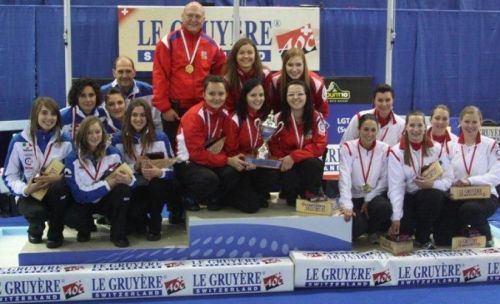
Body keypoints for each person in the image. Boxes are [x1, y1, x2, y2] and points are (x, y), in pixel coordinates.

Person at [2, 97, 73, 248]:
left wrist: (59, 177)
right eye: (44, 113)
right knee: (37, 212)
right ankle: (35, 229)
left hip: (55, 192)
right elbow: (9, 175)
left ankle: (55, 232)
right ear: (35, 114)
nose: (49, 118)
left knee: (60, 190)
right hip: (30, 193)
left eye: (53, 114)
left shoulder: (66, 140)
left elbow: (73, 172)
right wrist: (25, 189)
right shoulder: (19, 141)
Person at [153, 1, 226, 144]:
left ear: (204, 20)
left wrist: (215, 105)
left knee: (200, 147)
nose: (193, 20)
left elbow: (220, 77)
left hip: (202, 108)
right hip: (174, 110)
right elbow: (159, 75)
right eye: (190, 16)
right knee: (176, 150)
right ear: (182, 17)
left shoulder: (212, 45)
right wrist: (165, 108)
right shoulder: (167, 42)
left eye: (198, 16)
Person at [112, 99, 183, 241]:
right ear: (128, 117)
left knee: (158, 183)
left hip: (156, 185)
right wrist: (135, 167)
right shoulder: (118, 139)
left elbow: (172, 168)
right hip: (134, 186)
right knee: (134, 220)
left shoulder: (161, 137)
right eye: (134, 115)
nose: (138, 119)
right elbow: (114, 169)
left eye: (143, 115)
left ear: (148, 118)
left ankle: (155, 226)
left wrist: (159, 172)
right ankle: (140, 219)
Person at [176, 75, 249, 211]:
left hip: (211, 159)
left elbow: (231, 146)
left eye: (221, 93)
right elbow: (196, 154)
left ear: (226, 95)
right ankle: (187, 196)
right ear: (203, 94)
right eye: (211, 93)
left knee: (234, 172)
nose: (216, 98)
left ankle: (214, 197)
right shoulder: (194, 116)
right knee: (208, 179)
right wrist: (227, 160)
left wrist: (243, 160)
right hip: (189, 162)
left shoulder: (225, 114)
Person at [434, 106, 500, 247]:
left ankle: (486, 236)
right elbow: (446, 172)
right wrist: (453, 184)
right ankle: (463, 229)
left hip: (485, 196)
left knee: (470, 209)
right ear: (460, 122)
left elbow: (496, 175)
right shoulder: (450, 146)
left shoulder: (491, 145)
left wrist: (470, 181)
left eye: (474, 122)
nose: (470, 126)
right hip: (457, 196)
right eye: (467, 121)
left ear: (480, 122)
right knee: (442, 239)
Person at [64, 116, 135, 248]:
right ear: (82, 135)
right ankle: (85, 228)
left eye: (97, 132)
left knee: (124, 190)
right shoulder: (72, 159)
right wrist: (108, 183)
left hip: (105, 200)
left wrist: (130, 181)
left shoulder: (113, 153)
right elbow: (79, 195)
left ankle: (118, 234)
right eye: (89, 133)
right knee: (71, 216)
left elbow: (128, 176)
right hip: (83, 203)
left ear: (103, 134)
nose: (94, 136)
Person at [388, 111, 453, 249]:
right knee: (404, 228)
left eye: (419, 125)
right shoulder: (396, 152)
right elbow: (396, 187)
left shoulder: (437, 149)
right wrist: (396, 216)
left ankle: (423, 237)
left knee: (434, 195)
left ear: (425, 127)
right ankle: (410, 227)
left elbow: (449, 179)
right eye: (412, 125)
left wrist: (432, 184)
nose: (416, 129)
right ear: (406, 127)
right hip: (408, 198)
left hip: (428, 197)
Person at [223, 78, 279, 212]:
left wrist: (260, 159)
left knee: (273, 174)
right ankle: (225, 197)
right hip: (239, 167)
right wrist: (248, 161)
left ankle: (256, 193)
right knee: (252, 207)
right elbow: (231, 151)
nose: (258, 99)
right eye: (253, 95)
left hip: (255, 165)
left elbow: (266, 146)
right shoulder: (236, 119)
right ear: (245, 97)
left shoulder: (265, 118)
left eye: (261, 95)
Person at [269, 80, 328, 206]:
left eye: (300, 94)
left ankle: (311, 192)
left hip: (306, 163)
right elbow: (272, 145)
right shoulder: (277, 119)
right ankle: (289, 191)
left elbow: (319, 146)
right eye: (291, 94)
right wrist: (284, 158)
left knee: (313, 164)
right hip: (287, 164)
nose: (295, 98)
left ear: (307, 96)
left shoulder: (317, 118)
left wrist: (294, 157)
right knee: (291, 201)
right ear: (286, 97)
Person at [338, 114, 392, 243]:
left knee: (384, 207)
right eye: (366, 129)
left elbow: (384, 180)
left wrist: (369, 198)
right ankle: (361, 227)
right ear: (359, 129)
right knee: (357, 227)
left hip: (372, 195)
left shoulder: (384, 149)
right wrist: (347, 204)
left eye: (373, 130)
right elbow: (344, 177)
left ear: (378, 130)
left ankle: (372, 231)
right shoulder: (348, 148)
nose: (369, 134)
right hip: (353, 196)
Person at [101, 56, 162, 132]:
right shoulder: (102, 93)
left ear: (134, 72)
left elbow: (157, 123)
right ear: (114, 73)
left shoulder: (149, 91)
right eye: (120, 72)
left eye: (128, 71)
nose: (124, 75)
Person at [266, 47, 328, 118]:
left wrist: (313, 126)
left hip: (308, 124)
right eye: (290, 65)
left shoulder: (317, 83)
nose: (294, 69)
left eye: (298, 65)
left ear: (304, 65)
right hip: (282, 123)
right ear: (284, 65)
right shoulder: (275, 80)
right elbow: (271, 107)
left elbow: (323, 111)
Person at [223, 38, 271, 112]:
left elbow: (268, 102)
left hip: (260, 118)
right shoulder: (227, 78)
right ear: (235, 56)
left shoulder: (265, 74)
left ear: (255, 55)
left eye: (250, 52)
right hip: (237, 119)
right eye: (241, 53)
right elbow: (229, 107)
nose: (246, 56)